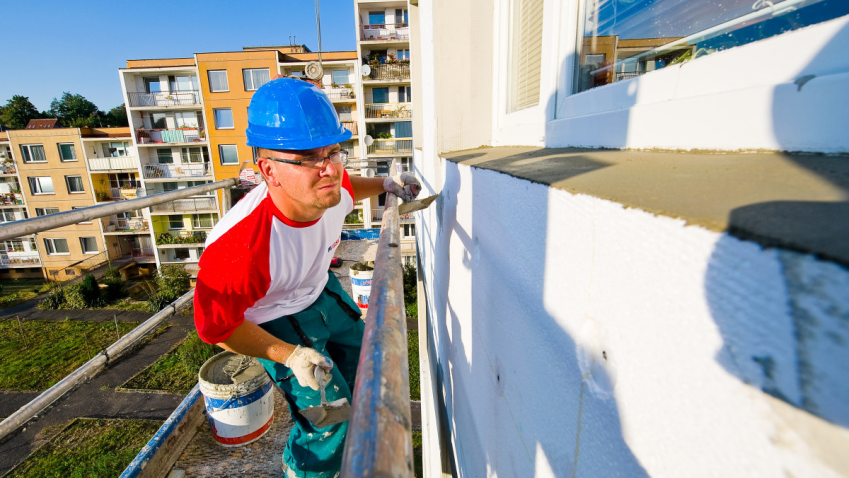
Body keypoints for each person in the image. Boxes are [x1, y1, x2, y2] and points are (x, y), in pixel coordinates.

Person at [193, 78, 420, 477]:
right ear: (269, 170)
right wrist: (290, 355)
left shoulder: (328, 189)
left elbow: (349, 184)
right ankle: (304, 470)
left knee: (366, 370)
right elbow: (216, 328)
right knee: (330, 419)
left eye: (333, 151)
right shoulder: (238, 249)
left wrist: (385, 185)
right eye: (307, 157)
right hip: (274, 321)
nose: (329, 168)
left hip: (319, 291)